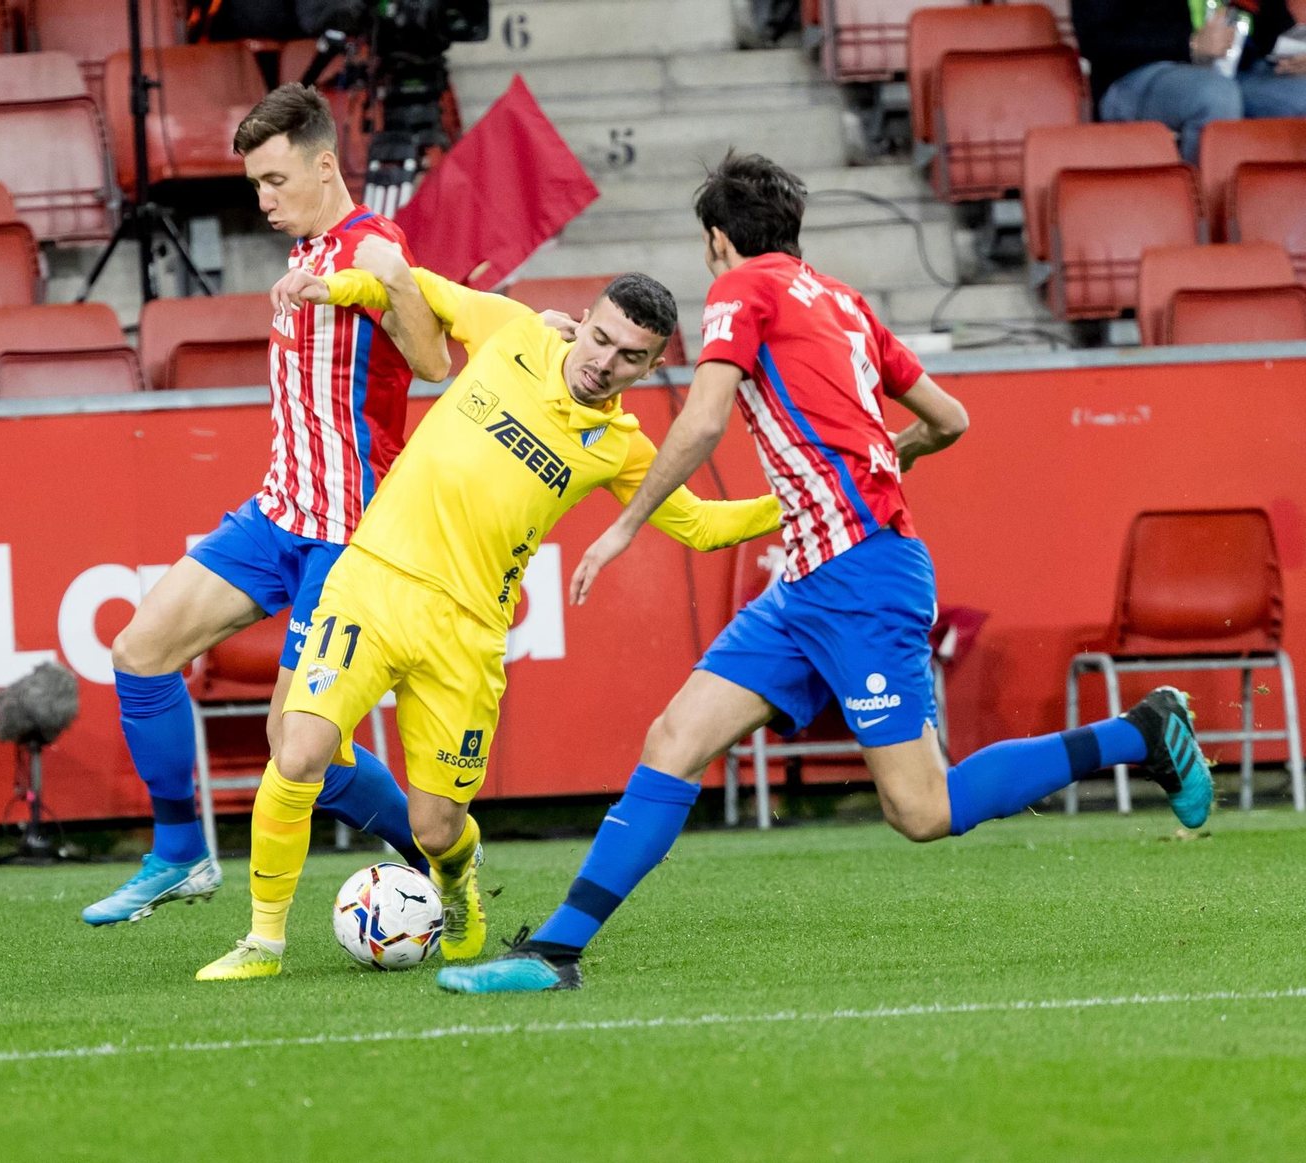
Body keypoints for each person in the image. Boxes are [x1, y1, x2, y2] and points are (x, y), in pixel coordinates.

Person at [433, 152, 1214, 994]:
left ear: (716, 241)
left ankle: (1141, 731)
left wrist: (624, 527)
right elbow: (949, 419)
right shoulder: (843, 301)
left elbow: (700, 423)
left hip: (862, 576)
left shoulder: (742, 288)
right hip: (811, 580)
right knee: (675, 739)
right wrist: (887, 454)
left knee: (922, 810)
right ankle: (556, 951)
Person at [192, 245, 785, 980]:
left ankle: (455, 880)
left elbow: (696, 523)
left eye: (630, 356)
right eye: (600, 337)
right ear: (585, 322)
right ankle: (263, 943)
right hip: (372, 583)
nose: (604, 361)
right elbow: (419, 285)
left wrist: (796, 497)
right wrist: (332, 284)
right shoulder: (515, 330)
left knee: (435, 826)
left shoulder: (619, 448)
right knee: (300, 750)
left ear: (650, 365)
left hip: (466, 636)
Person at [81, 84, 452, 926]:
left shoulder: (372, 247)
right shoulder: (308, 247)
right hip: (277, 512)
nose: (265, 200)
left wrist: (381, 284)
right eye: (256, 184)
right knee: (141, 652)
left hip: (345, 535)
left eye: (277, 180)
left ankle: (428, 850)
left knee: (298, 747)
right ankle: (180, 855)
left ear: (326, 166)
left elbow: (433, 362)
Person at [1075, 0, 1306, 164]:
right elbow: (1095, 39)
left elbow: (1275, 25)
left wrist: (1295, 49)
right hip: (1138, 75)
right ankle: (1206, 215)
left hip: (1237, 74)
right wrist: (1190, 44)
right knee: (1215, 95)